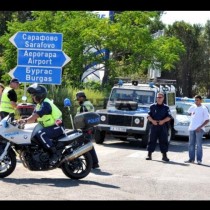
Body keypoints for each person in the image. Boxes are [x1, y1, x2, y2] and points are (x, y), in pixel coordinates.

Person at [18, 83, 64, 165]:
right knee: (34, 136)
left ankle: (54, 153)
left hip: (57, 127)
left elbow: (38, 114)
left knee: (41, 134)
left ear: (40, 95)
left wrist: (25, 120)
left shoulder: (46, 104)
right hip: (49, 127)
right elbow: (32, 118)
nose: (32, 97)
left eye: (34, 95)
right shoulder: (38, 105)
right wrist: (21, 121)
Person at [75, 91, 100, 169]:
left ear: (82, 97)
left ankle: (77, 164)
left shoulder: (84, 106)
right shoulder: (88, 104)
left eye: (78, 99)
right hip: (90, 127)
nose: (78, 101)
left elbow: (82, 119)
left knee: (78, 146)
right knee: (88, 145)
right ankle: (94, 163)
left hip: (85, 128)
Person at [146, 92, 172, 162]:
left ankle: (164, 156)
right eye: (157, 97)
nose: (159, 99)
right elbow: (148, 115)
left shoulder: (166, 107)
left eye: (160, 97)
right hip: (154, 125)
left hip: (163, 126)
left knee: (163, 141)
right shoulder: (152, 106)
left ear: (163, 98)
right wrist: (153, 121)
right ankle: (149, 155)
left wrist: (163, 121)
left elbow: (169, 117)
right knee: (152, 140)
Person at [185, 95, 209, 165]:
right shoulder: (193, 107)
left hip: (199, 129)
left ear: (201, 100)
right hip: (192, 128)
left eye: (197, 100)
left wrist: (200, 127)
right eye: (195, 100)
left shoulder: (204, 108)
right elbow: (189, 112)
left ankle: (199, 160)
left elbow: (207, 120)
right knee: (191, 144)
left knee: (199, 145)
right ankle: (191, 159)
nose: (196, 101)